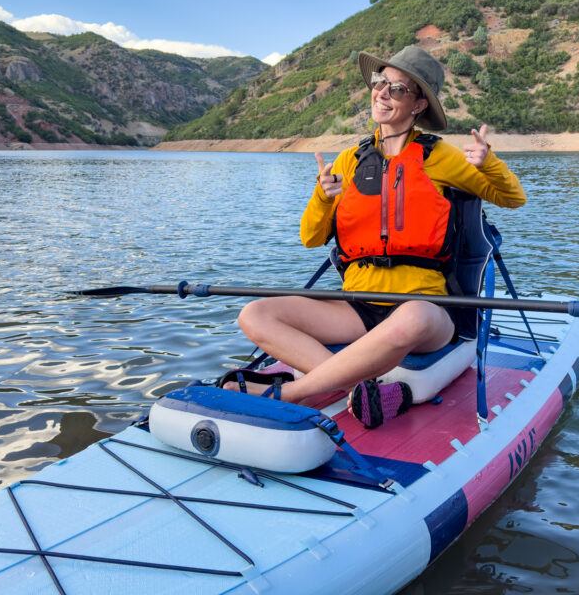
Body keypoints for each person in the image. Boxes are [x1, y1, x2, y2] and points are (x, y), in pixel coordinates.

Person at [224, 45, 526, 427]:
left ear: (418, 104)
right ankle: (354, 388)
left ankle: (291, 392)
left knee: (411, 319)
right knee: (256, 313)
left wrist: (490, 162)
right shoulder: (349, 161)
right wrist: (322, 196)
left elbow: (512, 198)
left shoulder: (441, 157)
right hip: (359, 305)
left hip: (426, 309)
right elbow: (311, 238)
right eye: (380, 82)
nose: (382, 92)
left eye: (397, 88)